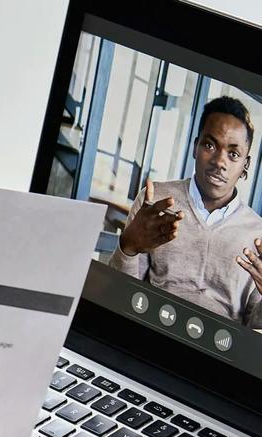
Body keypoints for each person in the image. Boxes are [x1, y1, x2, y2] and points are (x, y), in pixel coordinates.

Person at [109, 96, 262, 328]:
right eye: (210, 145)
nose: (220, 161)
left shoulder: (258, 234)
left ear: (245, 166)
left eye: (233, 154)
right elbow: (119, 294)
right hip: (151, 330)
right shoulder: (155, 201)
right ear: (195, 147)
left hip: (219, 351)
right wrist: (127, 247)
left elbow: (253, 326)